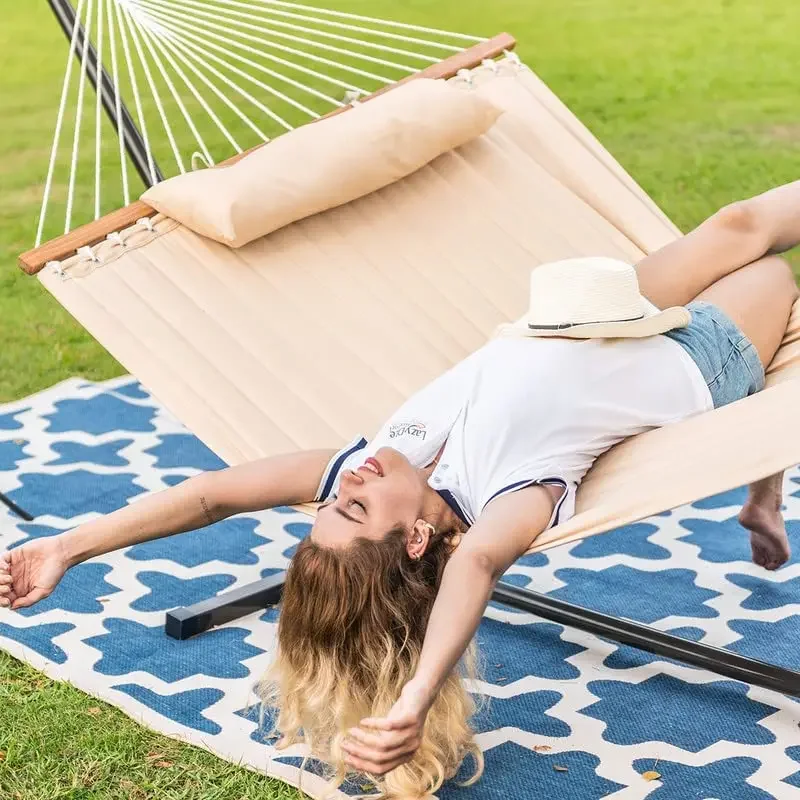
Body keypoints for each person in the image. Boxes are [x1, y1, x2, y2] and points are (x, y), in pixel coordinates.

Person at [2, 182, 799, 798]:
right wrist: (415, 699)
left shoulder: (374, 462)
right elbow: (478, 570)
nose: (342, 485)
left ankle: (761, 494)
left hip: (588, 316)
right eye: (350, 508)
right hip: (696, 360)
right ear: (415, 539)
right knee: (764, 261)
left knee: (733, 220)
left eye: (327, 506)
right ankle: (762, 482)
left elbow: (213, 495)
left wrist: (69, 545)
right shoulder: (509, 499)